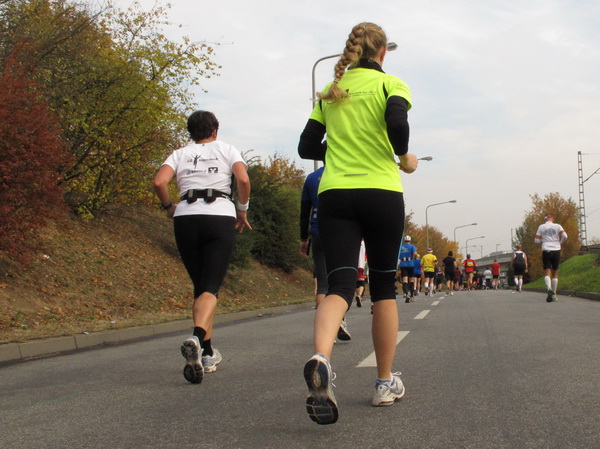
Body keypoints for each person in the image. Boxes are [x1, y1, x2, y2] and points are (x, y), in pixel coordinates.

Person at [298, 22, 418, 424]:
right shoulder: (391, 85)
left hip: (335, 195)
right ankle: (384, 383)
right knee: (383, 288)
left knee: (340, 285)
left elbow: (305, 146)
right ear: (382, 52)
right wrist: (403, 157)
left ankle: (321, 358)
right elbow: (397, 125)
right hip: (381, 192)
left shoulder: (331, 91)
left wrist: (338, 150)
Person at [152, 110, 251, 384]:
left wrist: (168, 206)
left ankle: (206, 354)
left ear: (190, 132)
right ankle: (197, 338)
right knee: (210, 288)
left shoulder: (179, 154)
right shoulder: (227, 149)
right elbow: (243, 180)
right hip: (219, 215)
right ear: (215, 131)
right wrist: (242, 209)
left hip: (186, 217)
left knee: (201, 288)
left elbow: (159, 181)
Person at [300, 166, 351, 341]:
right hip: (340, 233)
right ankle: (339, 320)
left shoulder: (311, 178)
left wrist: (303, 238)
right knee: (341, 282)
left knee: (322, 284)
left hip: (318, 232)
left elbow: (304, 211)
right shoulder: (345, 172)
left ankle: (324, 333)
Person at [534, 214, 568, 302]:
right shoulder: (558, 226)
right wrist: (560, 243)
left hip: (546, 250)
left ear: (545, 220)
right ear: (552, 219)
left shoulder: (541, 227)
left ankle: (549, 288)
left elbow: (536, 240)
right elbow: (565, 236)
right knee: (555, 272)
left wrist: (543, 241)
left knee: (547, 271)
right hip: (556, 250)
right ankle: (554, 294)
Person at [398, 235, 418, 302]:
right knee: (411, 280)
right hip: (410, 264)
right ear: (410, 240)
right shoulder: (412, 246)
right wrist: (416, 257)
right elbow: (415, 254)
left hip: (403, 264)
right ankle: (412, 296)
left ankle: (406, 293)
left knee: (405, 280)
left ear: (405, 240)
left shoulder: (401, 247)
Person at [355, 240, 368, 307]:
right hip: (363, 264)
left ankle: (359, 296)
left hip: (354, 264)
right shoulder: (364, 243)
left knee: (357, 281)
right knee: (362, 281)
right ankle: (359, 295)